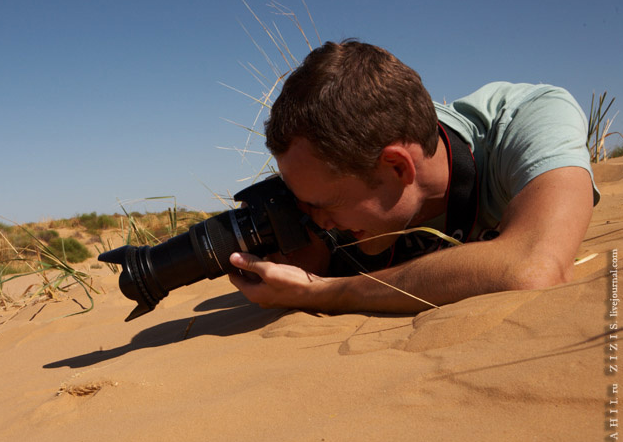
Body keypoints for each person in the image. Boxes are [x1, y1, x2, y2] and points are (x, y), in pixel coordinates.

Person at [227, 40, 600, 314]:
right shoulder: (346, 173)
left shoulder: (526, 122)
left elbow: (532, 269)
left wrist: (329, 291)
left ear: (398, 166)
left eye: (325, 205)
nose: (319, 220)